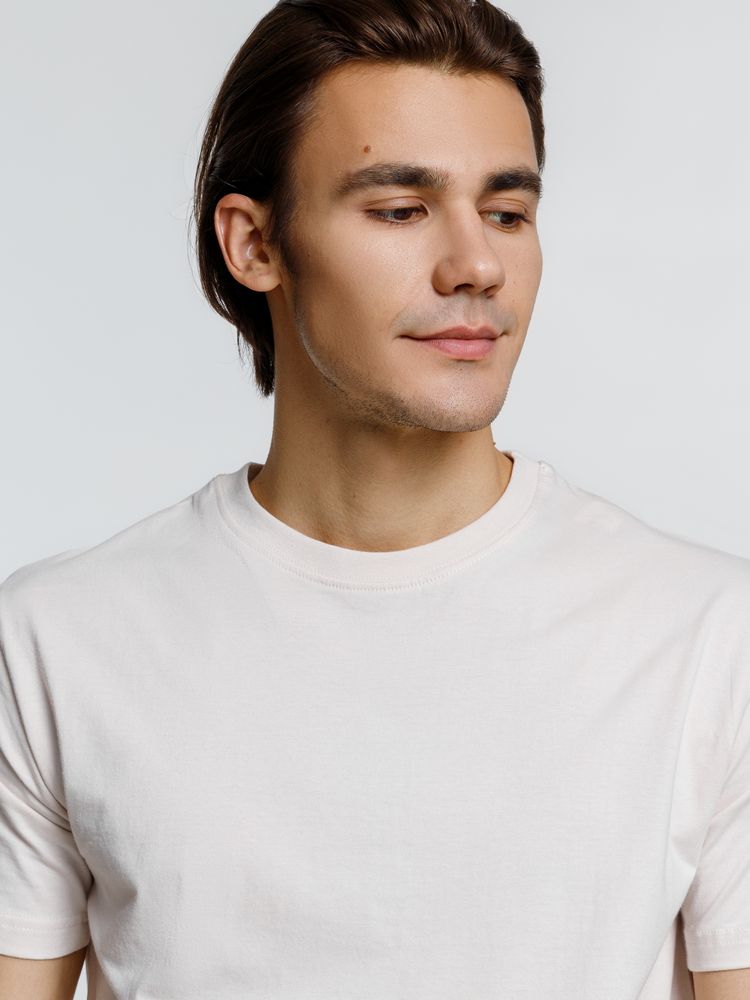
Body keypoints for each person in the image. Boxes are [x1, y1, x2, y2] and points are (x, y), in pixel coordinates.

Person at [0, 1, 748, 998]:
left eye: (508, 212)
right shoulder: (57, 642)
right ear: (254, 244)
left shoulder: (707, 638)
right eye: (400, 209)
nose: (477, 265)